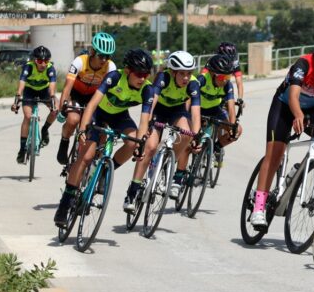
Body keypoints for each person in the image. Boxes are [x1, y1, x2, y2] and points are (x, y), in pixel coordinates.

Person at [249, 32, 314, 231]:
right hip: (284, 106)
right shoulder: (303, 64)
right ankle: (259, 206)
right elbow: (293, 96)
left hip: (310, 109)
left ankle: (299, 170)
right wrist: (297, 114)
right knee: (274, 155)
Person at [53, 49, 155, 226]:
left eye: (146, 74)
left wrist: (140, 145)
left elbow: (144, 120)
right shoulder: (114, 77)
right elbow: (92, 104)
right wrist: (83, 129)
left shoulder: (147, 89)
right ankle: (65, 202)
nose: (142, 78)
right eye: (139, 74)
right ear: (128, 71)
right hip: (98, 114)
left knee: (133, 142)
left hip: (119, 116)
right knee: (86, 156)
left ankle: (106, 171)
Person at [142, 51, 203, 201]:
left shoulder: (193, 84)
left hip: (177, 110)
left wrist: (197, 136)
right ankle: (139, 183)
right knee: (151, 146)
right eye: (182, 73)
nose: (186, 78)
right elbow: (152, 101)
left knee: (187, 134)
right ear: (173, 72)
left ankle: (169, 162)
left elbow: (196, 113)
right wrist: (148, 122)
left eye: (189, 73)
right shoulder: (163, 77)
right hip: (158, 110)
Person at [55, 33, 117, 165]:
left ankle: (97, 164)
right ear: (93, 52)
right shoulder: (80, 62)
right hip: (76, 94)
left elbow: (111, 93)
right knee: (73, 120)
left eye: (108, 56)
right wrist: (62, 109)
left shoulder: (110, 67)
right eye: (101, 55)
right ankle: (64, 141)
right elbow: (67, 88)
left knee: (102, 130)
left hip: (94, 97)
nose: (104, 60)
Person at [12, 46, 58, 164]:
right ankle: (22, 149)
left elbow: (52, 85)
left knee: (56, 110)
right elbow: (22, 82)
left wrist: (52, 98)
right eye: (39, 61)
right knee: (27, 117)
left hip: (44, 91)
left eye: (46, 61)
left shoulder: (50, 68)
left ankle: (45, 129)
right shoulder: (28, 67)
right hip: (29, 91)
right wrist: (18, 96)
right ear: (34, 60)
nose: (43, 64)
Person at [197, 53, 243, 165]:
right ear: (212, 74)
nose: (225, 80)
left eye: (228, 77)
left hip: (214, 110)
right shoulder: (202, 80)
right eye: (222, 77)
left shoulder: (227, 85)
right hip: (198, 110)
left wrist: (232, 126)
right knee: (191, 138)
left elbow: (231, 107)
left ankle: (215, 148)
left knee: (237, 130)